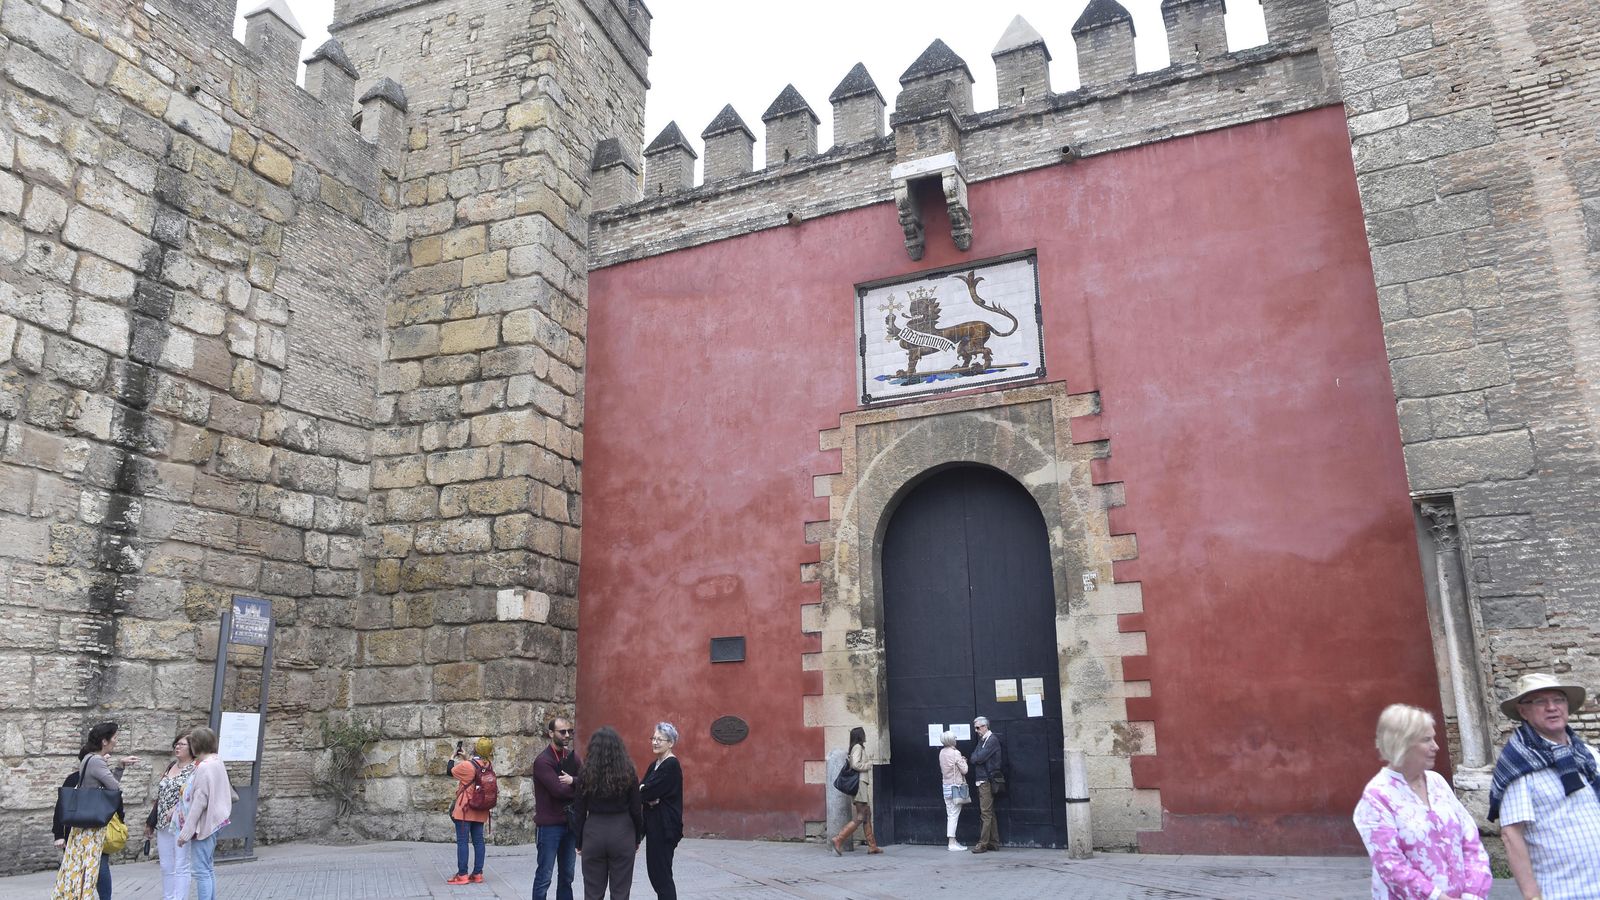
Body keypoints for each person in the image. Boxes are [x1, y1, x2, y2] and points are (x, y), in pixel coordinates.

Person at [1352, 704, 1492, 900]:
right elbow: (1390, 865)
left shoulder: (1437, 782)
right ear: (1401, 743)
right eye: (1427, 740)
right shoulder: (1376, 796)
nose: (1436, 746)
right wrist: (1438, 897)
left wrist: (1473, 893)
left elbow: (1470, 840)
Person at [1488, 673, 1600, 900]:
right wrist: (1532, 897)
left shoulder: (1589, 756)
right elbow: (1511, 835)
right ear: (1523, 712)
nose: (1552, 707)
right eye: (1540, 701)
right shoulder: (1518, 765)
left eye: (1558, 700)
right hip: (1560, 892)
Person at [53, 721, 138, 900]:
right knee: (90, 869)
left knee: (80, 868)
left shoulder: (87, 758)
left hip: (83, 824)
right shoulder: (97, 761)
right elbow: (114, 788)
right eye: (114, 738)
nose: (116, 741)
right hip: (92, 826)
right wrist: (119, 768)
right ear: (104, 741)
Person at [571, 726, 643, 900]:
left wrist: (579, 841)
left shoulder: (585, 773)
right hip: (622, 831)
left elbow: (579, 811)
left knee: (593, 892)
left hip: (594, 831)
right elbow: (636, 808)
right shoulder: (628, 773)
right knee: (620, 892)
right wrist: (637, 837)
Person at [177, 726, 233, 900]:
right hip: (219, 819)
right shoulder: (217, 761)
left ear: (196, 745)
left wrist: (186, 831)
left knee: (200, 871)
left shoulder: (204, 767)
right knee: (207, 868)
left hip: (206, 824)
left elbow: (200, 801)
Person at [533, 716, 582, 900]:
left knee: (567, 876)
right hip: (549, 827)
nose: (567, 735)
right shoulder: (543, 761)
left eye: (570, 731)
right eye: (563, 732)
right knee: (544, 876)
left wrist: (573, 781)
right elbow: (557, 791)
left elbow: (586, 780)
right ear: (551, 733)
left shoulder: (571, 756)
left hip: (569, 825)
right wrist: (577, 788)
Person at [145, 733, 196, 900]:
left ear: (192, 748)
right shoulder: (171, 766)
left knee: (181, 863)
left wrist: (177, 807)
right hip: (162, 822)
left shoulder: (195, 769)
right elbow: (160, 796)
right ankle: (168, 897)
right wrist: (151, 821)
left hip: (181, 821)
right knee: (166, 865)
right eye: (176, 744)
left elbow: (194, 795)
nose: (177, 747)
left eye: (182, 744)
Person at [640, 722, 684, 899]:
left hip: (665, 828)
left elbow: (648, 790)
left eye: (660, 739)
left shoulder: (671, 765)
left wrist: (646, 790)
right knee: (656, 874)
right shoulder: (655, 765)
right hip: (654, 826)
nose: (655, 742)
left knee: (662, 876)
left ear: (671, 743)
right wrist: (646, 791)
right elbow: (643, 791)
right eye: (654, 738)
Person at [445, 737, 495, 885]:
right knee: (479, 841)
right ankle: (478, 874)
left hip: (465, 809)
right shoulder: (488, 765)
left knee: (462, 841)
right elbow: (475, 769)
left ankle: (462, 875)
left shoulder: (467, 766)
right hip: (481, 809)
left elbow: (450, 771)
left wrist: (452, 757)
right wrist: (466, 757)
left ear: (476, 749)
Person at [829, 726, 880, 855]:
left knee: (867, 814)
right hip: (860, 784)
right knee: (862, 815)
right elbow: (855, 764)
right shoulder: (857, 747)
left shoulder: (856, 747)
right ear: (860, 736)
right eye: (863, 733)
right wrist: (868, 765)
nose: (865, 735)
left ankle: (872, 846)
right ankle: (839, 838)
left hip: (860, 784)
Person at [969, 716, 1004, 853]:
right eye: (975, 728)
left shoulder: (992, 740)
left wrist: (976, 757)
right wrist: (976, 757)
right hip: (983, 779)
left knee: (985, 813)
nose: (976, 731)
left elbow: (979, 757)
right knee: (990, 813)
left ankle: (983, 843)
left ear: (985, 726)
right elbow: (973, 757)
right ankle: (994, 842)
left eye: (978, 728)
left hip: (986, 780)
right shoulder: (983, 740)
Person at [938, 730, 969, 852]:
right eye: (955, 738)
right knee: (953, 815)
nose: (956, 739)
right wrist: (963, 760)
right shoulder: (955, 753)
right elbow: (965, 770)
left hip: (946, 786)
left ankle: (953, 841)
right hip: (956, 786)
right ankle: (952, 842)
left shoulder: (941, 752)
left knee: (950, 813)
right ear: (951, 740)